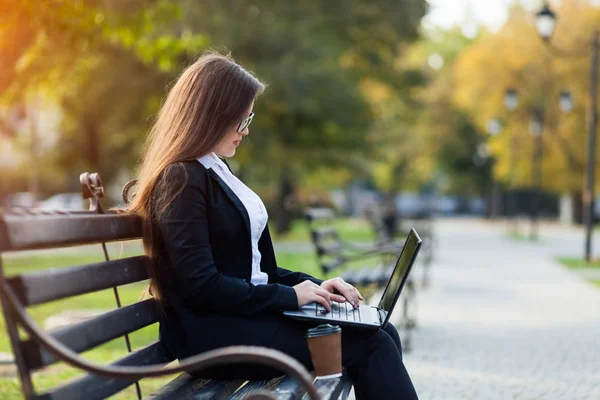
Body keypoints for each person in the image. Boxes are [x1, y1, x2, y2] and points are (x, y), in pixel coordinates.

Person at [128, 52, 418, 399]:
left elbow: (258, 272)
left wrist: (317, 287)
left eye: (248, 118)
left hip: (240, 321)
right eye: (240, 120)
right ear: (210, 115)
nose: (246, 130)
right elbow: (201, 286)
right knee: (371, 345)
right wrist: (291, 296)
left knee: (380, 330)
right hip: (215, 337)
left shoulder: (212, 170)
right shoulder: (181, 178)